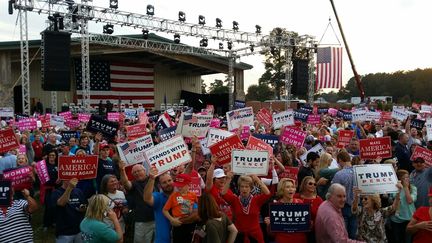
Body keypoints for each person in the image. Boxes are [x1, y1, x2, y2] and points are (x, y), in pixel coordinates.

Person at [221, 174, 271, 243]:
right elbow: (223, 193)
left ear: (251, 188)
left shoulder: (256, 200)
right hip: (239, 235)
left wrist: (257, 180)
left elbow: (267, 194)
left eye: (247, 187)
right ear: (239, 188)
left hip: (255, 235)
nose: (244, 189)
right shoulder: (234, 200)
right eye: (242, 186)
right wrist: (228, 179)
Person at [119, 161, 155, 243]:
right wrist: (122, 170)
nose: (136, 173)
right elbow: (125, 183)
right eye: (134, 172)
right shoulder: (134, 184)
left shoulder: (153, 179)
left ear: (145, 171)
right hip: (141, 220)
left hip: (157, 218)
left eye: (138, 171)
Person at [264, 178, 307, 243]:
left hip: (300, 240)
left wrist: (308, 223)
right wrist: (269, 225)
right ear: (282, 190)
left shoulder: (300, 203)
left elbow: (305, 228)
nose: (291, 189)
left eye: (292, 187)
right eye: (287, 187)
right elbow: (271, 234)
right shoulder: (276, 206)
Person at [163, 173, 199, 243]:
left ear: (188, 184)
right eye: (177, 186)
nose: (179, 188)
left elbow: (199, 207)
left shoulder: (193, 195)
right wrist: (172, 219)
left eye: (181, 186)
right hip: (178, 225)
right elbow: (164, 210)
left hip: (190, 224)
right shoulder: (173, 196)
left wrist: (194, 210)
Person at [143, 167, 174, 243]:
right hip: (162, 240)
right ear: (160, 186)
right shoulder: (158, 197)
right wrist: (152, 179)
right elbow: (147, 198)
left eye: (169, 180)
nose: (168, 184)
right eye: (164, 182)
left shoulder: (181, 195)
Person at [51, 178, 87, 243]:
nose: (76, 181)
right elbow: (61, 203)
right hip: (64, 232)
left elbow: (84, 205)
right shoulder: (56, 192)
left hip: (79, 230)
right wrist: (69, 188)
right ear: (64, 180)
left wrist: (83, 208)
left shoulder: (78, 191)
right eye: (72, 179)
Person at [331, 150, 357, 239]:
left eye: (338, 162)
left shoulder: (339, 174)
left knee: (343, 236)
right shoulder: (359, 172)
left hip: (343, 206)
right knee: (353, 235)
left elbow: (333, 192)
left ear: (340, 160)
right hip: (357, 206)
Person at [390, 169, 417, 243]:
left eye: (408, 177)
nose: (408, 179)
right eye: (405, 178)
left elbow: (410, 201)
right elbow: (391, 201)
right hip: (396, 219)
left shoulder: (413, 188)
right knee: (398, 239)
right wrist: (398, 190)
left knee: (408, 240)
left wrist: (405, 187)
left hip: (409, 218)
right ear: (399, 179)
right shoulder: (394, 188)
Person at [297, 176, 323, 243]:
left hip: (313, 232)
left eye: (315, 184)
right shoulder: (296, 197)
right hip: (297, 230)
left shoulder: (319, 200)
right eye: (310, 183)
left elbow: (322, 218)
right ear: (304, 185)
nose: (313, 185)